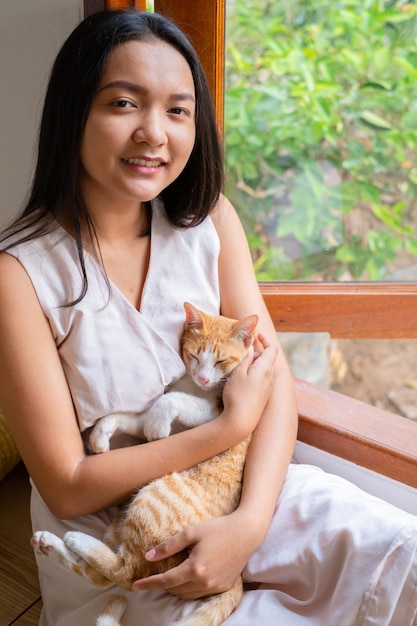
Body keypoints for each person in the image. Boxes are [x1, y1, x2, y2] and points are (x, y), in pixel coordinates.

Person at [0, 9, 417, 626]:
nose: (154, 133)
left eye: (177, 109)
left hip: (248, 492)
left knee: (398, 551)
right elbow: (67, 484)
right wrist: (225, 428)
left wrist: (247, 525)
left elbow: (271, 380)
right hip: (123, 541)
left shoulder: (208, 220)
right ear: (74, 113)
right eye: (123, 104)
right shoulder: (20, 276)